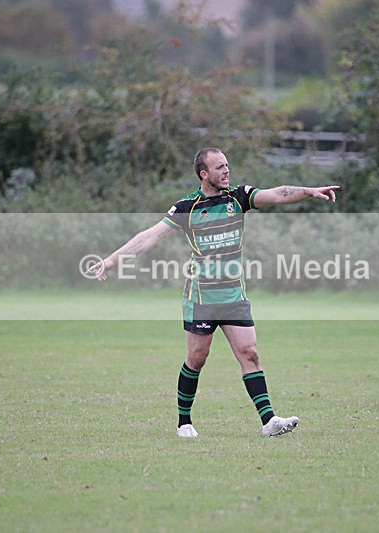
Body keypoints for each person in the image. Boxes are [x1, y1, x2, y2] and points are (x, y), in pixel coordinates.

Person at [90, 147, 339, 438]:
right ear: (203, 174)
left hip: (234, 297)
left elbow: (277, 194)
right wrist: (110, 261)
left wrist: (309, 191)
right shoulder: (187, 208)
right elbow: (148, 237)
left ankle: (269, 421)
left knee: (250, 353)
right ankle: (184, 423)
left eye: (227, 165)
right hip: (202, 299)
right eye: (219, 167)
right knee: (197, 359)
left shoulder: (239, 197)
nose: (226, 170)